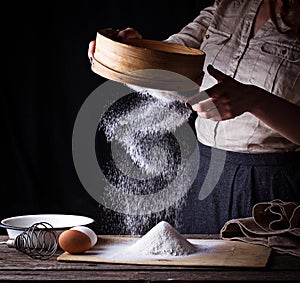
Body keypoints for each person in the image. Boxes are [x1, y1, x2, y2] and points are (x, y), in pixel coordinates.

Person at [88, 0, 300, 234]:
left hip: (273, 187)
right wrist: (132, 54)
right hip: (206, 175)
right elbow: (173, 67)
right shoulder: (228, 7)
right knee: (200, 269)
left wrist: (255, 100)